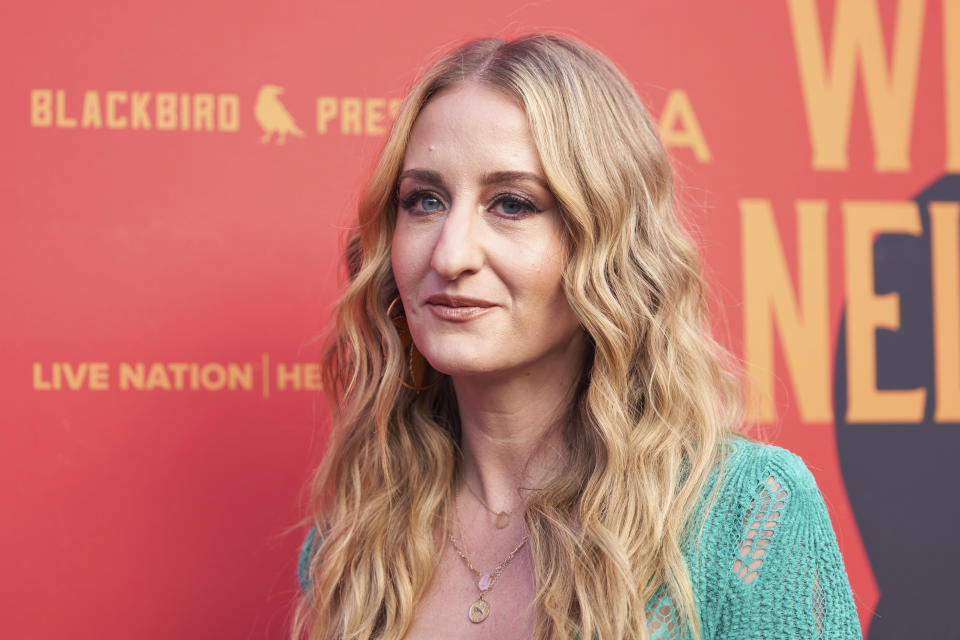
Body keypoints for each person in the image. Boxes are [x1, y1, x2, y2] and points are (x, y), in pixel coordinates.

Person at [291, 33, 862, 640]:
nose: (451, 253)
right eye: (425, 200)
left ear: (608, 243)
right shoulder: (348, 545)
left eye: (511, 204)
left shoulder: (745, 513)